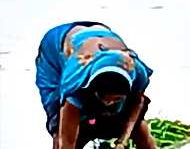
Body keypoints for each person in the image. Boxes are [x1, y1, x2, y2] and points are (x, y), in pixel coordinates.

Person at [36, 21, 156, 149]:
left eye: (116, 99)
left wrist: (122, 142)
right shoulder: (75, 85)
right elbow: (67, 142)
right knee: (59, 127)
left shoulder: (138, 74)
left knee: (131, 123)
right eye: (106, 99)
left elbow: (137, 106)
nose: (109, 103)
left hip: (102, 36)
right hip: (56, 46)